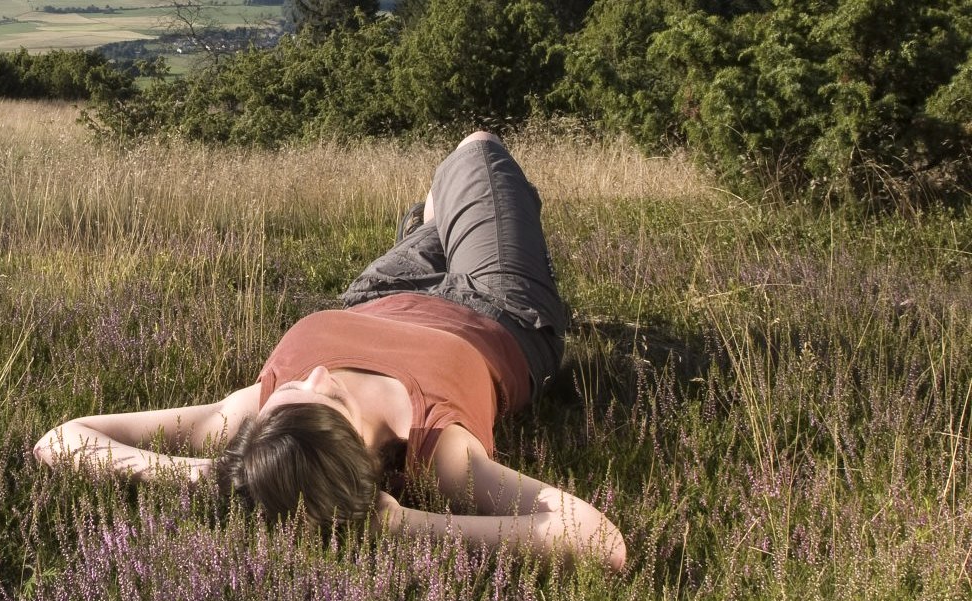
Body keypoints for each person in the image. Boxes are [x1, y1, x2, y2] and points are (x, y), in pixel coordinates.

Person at [31, 132, 627, 572]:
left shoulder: (257, 420)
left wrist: (210, 476)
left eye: (290, 390)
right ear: (361, 455)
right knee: (475, 152)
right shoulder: (440, 450)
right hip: (493, 309)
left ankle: (432, 224)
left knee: (432, 214)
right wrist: (406, 525)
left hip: (372, 299)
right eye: (330, 397)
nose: (313, 373)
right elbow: (600, 542)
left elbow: (59, 440)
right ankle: (448, 221)